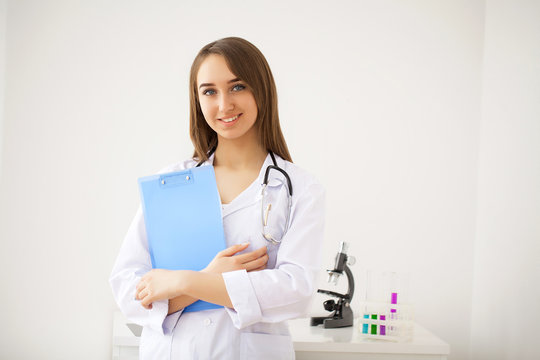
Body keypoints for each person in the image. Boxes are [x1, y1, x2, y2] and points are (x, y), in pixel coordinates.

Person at [109, 36, 325, 360]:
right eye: (209, 91)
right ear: (197, 100)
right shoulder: (170, 183)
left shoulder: (300, 188)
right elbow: (128, 289)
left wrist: (183, 282)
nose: (224, 105)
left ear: (261, 90)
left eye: (237, 87)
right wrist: (209, 280)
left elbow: (295, 290)